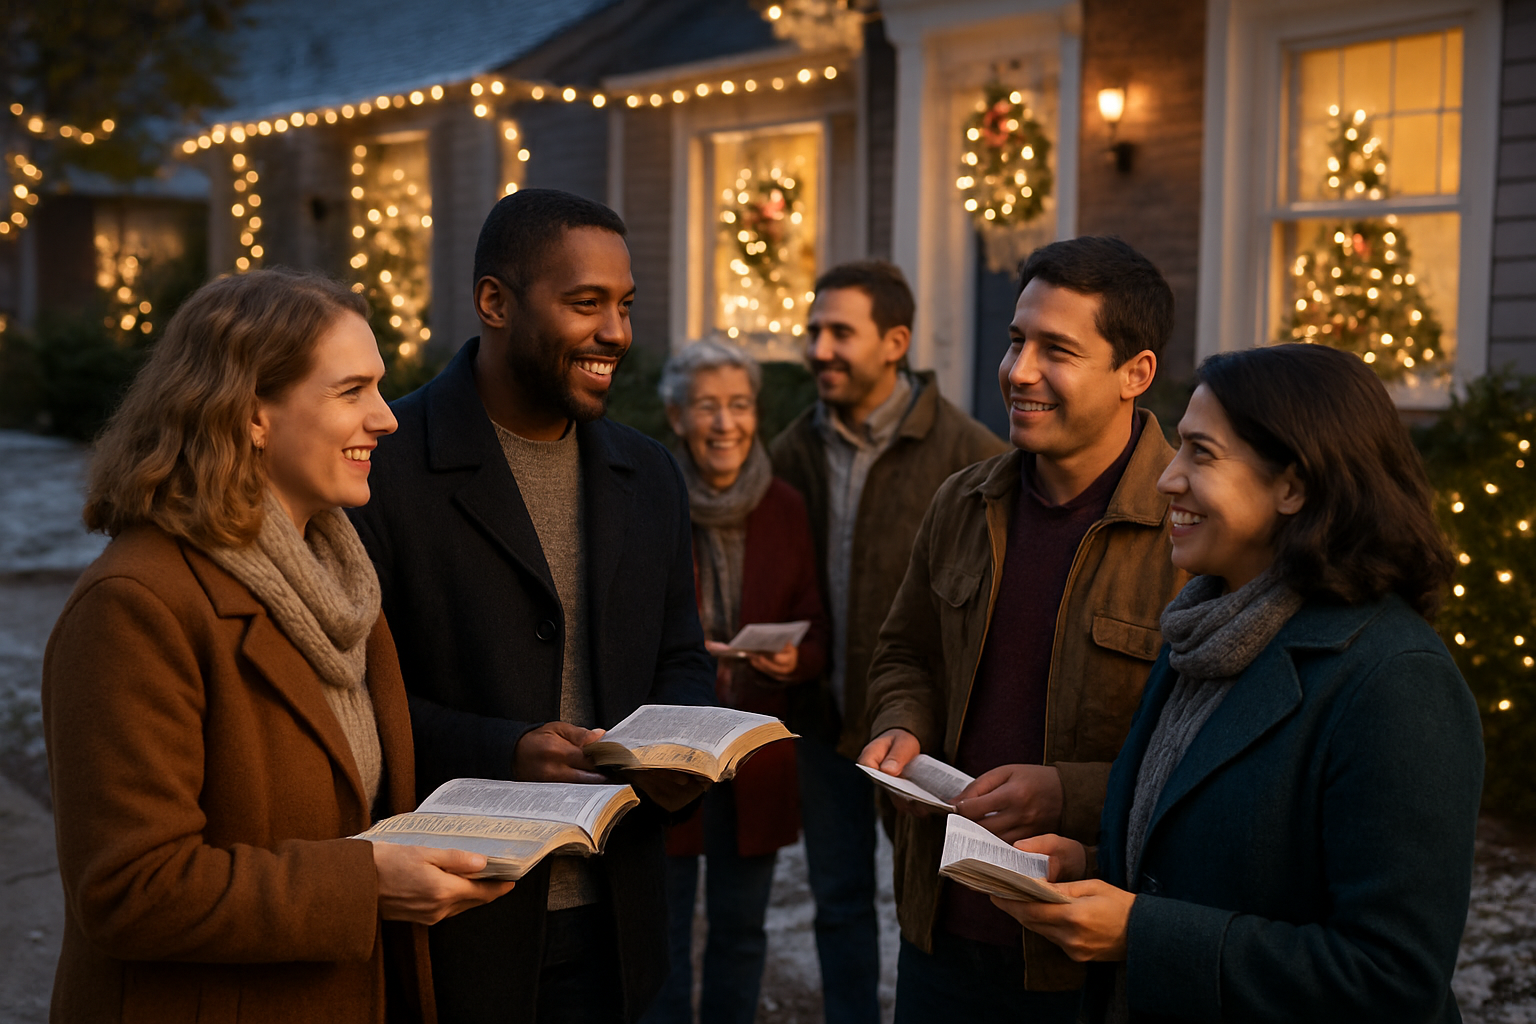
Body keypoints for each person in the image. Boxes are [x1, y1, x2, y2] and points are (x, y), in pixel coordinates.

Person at [44, 269, 514, 1024]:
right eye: (351, 391)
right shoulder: (135, 603)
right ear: (252, 414)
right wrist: (367, 883)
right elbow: (129, 890)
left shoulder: (340, 584)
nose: (386, 419)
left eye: (379, 388)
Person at [994, 342, 1482, 1024]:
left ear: (1294, 486)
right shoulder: (1204, 630)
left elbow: (1393, 977)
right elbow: (1220, 864)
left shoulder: (1396, 682)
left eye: (1202, 453)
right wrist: (1091, 868)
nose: (1168, 477)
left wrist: (1141, 932)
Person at [348, 189, 717, 1024]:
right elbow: (354, 703)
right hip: (457, 922)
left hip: (619, 926)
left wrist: (681, 752)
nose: (616, 332)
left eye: (625, 305)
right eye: (586, 303)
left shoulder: (650, 474)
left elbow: (681, 655)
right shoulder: (382, 469)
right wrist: (502, 750)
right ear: (495, 302)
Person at [857, 237, 1187, 1022]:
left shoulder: (1191, 533)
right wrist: (902, 725)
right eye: (1016, 341)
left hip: (1087, 955)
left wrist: (1069, 793)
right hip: (940, 928)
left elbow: (1208, 761)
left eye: (1057, 351)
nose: (1019, 371)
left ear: (1136, 373)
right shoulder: (963, 503)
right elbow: (905, 652)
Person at [770, 260, 1008, 1023]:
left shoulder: (970, 457)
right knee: (838, 905)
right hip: (824, 724)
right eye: (814, 330)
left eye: (840, 332)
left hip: (923, 740)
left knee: (933, 910)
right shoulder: (791, 450)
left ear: (895, 342)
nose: (819, 349)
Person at [642, 339, 829, 1024]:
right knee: (661, 934)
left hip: (754, 752)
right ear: (677, 416)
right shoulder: (649, 500)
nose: (726, 424)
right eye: (707, 407)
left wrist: (794, 661)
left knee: (742, 930)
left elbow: (815, 624)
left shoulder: (784, 505)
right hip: (668, 753)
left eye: (740, 405)